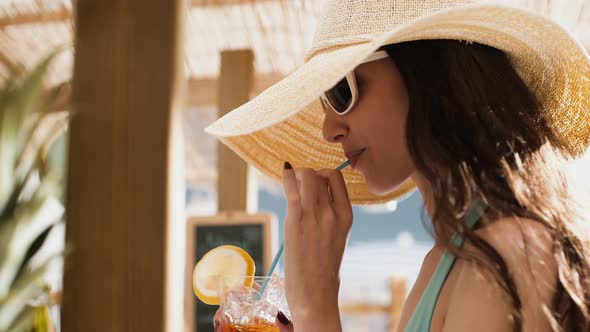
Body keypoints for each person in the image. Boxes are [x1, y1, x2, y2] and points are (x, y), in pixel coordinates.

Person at [207, 0, 590, 331]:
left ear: (427, 73)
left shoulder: (512, 256)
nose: (329, 130)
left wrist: (314, 306)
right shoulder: (442, 262)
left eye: (341, 91)